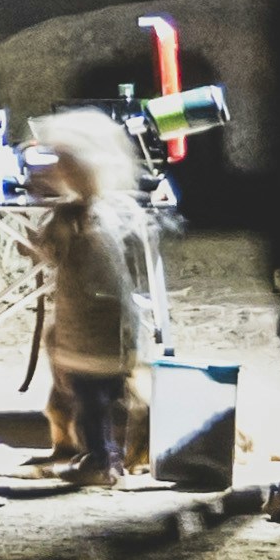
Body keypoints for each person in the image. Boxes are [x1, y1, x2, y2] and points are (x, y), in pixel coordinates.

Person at [20, 107, 171, 490]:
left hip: (85, 340)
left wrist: (30, 240)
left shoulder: (70, 221)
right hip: (116, 333)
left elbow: (49, 254)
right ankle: (118, 456)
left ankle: (102, 463)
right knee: (109, 400)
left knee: (90, 407)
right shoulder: (110, 212)